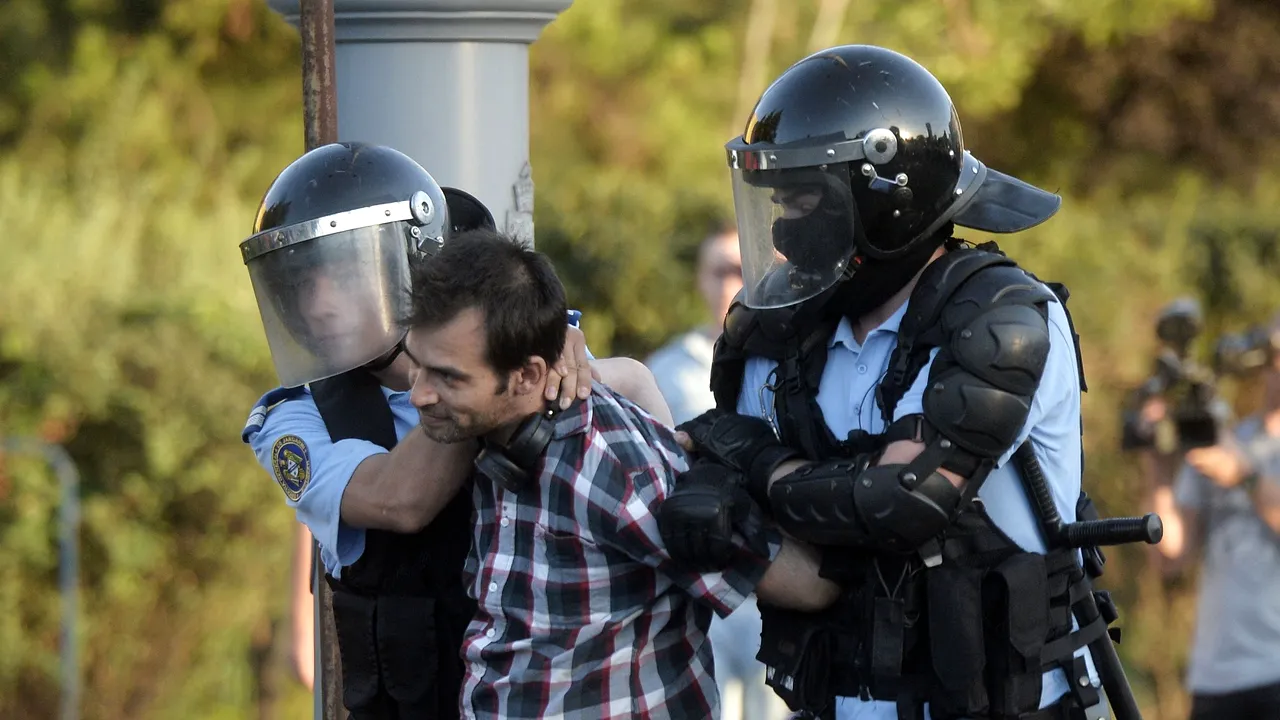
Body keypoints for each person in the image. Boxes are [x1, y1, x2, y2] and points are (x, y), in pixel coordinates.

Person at [656, 44, 1145, 720]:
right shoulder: (780, 329)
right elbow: (716, 473)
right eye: (779, 202)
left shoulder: (1008, 321)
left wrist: (754, 462)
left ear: (889, 197)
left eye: (807, 201)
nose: (786, 232)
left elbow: (899, 503)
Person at [237, 141, 671, 718]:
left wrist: (536, 367)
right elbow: (398, 500)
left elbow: (636, 386)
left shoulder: (527, 368)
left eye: (339, 274)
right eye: (302, 282)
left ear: (414, 264)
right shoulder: (292, 419)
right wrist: (492, 385)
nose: (316, 303)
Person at [399, 227, 841, 720]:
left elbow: (807, 584)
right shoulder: (490, 433)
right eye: (418, 367)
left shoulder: (610, 462)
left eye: (448, 377)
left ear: (526, 376)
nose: (419, 394)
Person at [646, 223, 785, 720]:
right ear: (700, 280)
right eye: (720, 270)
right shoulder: (663, 369)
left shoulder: (786, 362)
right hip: (702, 582)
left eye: (741, 269)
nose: (732, 282)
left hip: (778, 576)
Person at [1140, 313, 1280, 720]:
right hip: (1214, 680)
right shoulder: (1227, 440)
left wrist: (1245, 475)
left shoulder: (1234, 456)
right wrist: (1158, 470)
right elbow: (1171, 558)